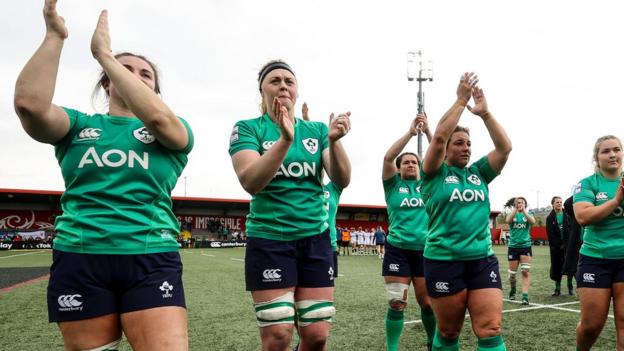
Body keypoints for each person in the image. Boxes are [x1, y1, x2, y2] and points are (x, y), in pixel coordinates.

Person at [14, 1, 193, 350]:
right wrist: (55, 37)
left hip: (151, 256)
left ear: (154, 92)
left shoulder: (172, 129)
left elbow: (159, 120)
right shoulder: (78, 126)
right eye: (126, 70)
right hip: (81, 257)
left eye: (145, 74)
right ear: (107, 84)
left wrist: (106, 57)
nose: (134, 76)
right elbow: (29, 107)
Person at [228, 60, 351, 351]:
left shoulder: (317, 130)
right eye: (274, 80)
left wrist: (334, 142)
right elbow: (250, 181)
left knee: (317, 335)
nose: (282, 85)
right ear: (262, 90)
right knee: (278, 334)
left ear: (296, 91)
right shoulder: (247, 128)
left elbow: (342, 178)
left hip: (315, 240)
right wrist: (285, 140)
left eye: (288, 81)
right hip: (269, 239)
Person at [421, 72, 512, 351]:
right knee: (448, 333)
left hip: (482, 260)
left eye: (469, 144)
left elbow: (504, 148)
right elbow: (437, 139)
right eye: (459, 143)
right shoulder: (434, 174)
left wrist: (485, 115)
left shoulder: (478, 174)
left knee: (491, 329)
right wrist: (461, 99)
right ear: (446, 150)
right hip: (444, 261)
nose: (466, 148)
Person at [381, 113, 435, 350]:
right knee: (396, 303)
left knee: (428, 304)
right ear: (399, 168)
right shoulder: (393, 185)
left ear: (421, 167)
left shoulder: (429, 183)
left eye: (415, 161)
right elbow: (388, 157)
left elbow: (440, 152)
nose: (411, 164)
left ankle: (433, 343)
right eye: (406, 162)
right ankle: (392, 348)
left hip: (426, 251)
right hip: (397, 251)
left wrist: (430, 131)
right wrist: (411, 133)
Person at [573, 135, 624, 351]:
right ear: (596, 157)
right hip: (595, 260)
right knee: (591, 326)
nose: (612, 154)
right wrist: (616, 201)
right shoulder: (587, 184)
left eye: (617, 149)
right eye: (606, 151)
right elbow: (583, 217)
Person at [505, 197, 536, 305]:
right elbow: (508, 221)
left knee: (525, 271)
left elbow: (532, 222)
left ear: (525, 204)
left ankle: (525, 296)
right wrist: (515, 210)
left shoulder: (528, 213)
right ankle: (513, 290)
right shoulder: (511, 214)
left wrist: (524, 211)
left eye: (522, 202)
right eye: (518, 203)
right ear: (515, 204)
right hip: (513, 247)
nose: (520, 204)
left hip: (525, 246)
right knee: (512, 274)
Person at [545, 196, 573, 296]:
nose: (559, 204)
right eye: (557, 202)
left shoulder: (568, 214)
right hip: (556, 248)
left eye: (561, 202)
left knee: (570, 266)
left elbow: (571, 230)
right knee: (557, 267)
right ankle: (557, 288)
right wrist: (558, 245)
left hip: (569, 246)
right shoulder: (550, 218)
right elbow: (550, 234)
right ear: (553, 204)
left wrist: (568, 244)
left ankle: (570, 286)